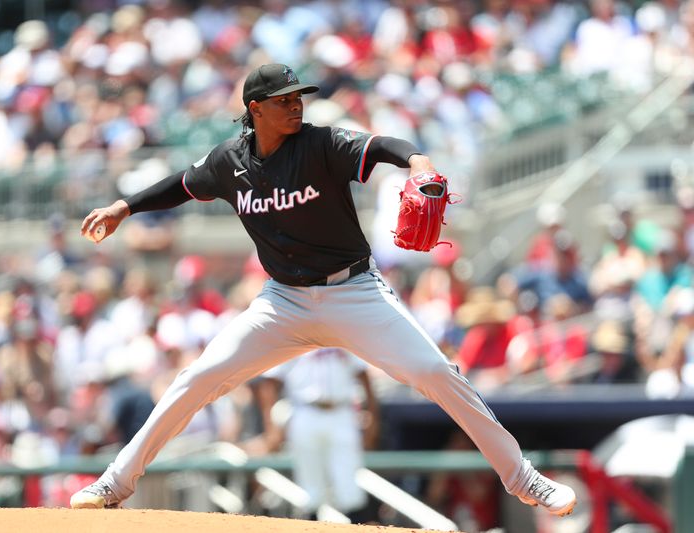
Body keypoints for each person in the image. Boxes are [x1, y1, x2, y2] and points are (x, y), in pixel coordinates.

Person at [70, 63, 576, 517]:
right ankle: (115, 482)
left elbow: (378, 146)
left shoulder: (320, 144)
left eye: (299, 98)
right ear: (255, 109)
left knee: (434, 372)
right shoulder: (230, 161)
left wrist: (417, 161)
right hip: (283, 302)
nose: (296, 106)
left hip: (353, 292)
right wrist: (124, 208)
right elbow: (181, 184)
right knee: (198, 377)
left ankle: (524, 479)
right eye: (285, 100)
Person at [257, 347, 379, 522]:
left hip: (342, 411)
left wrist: (373, 416)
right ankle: (312, 522)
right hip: (305, 411)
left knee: (348, 478)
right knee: (310, 482)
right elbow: (270, 381)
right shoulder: (294, 333)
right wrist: (271, 426)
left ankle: (356, 522)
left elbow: (363, 374)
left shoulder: (343, 332)